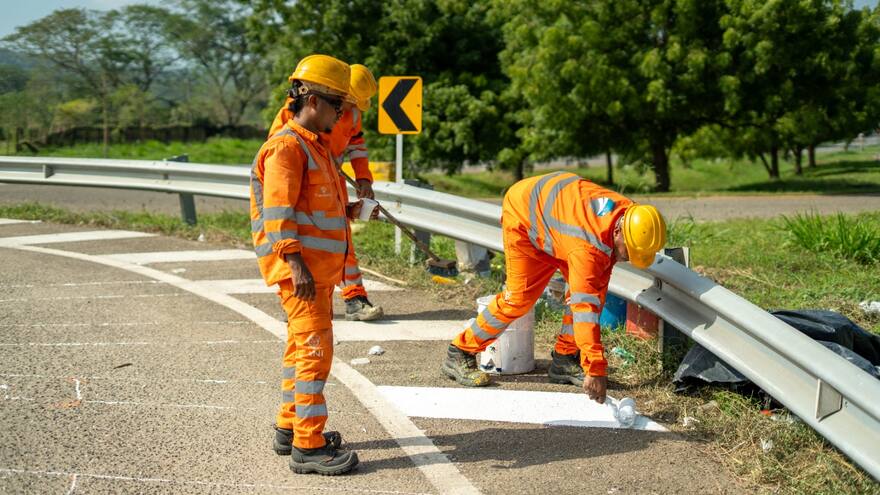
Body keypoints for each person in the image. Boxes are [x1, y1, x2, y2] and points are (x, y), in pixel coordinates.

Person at [250, 54, 375, 476]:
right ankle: (309, 445)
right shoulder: (287, 147)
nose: (343, 115)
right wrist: (295, 263)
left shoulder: (316, 147)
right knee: (315, 356)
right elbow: (278, 211)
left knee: (300, 350)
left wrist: (353, 209)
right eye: (338, 105)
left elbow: (315, 206)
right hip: (302, 273)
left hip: (317, 271)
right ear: (314, 100)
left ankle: (289, 428)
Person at [441, 171, 666, 404]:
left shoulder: (631, 216)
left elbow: (591, 290)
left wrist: (593, 364)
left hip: (558, 219)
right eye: (628, 251)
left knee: (593, 293)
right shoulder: (587, 249)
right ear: (618, 232)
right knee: (519, 299)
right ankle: (460, 350)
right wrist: (595, 368)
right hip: (525, 215)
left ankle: (564, 358)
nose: (627, 258)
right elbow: (584, 308)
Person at [269, 64, 383, 322]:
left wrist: (364, 178)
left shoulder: (352, 114)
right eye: (344, 101)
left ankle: (354, 297)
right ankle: (294, 299)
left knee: (340, 238)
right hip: (303, 183)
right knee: (298, 241)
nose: (345, 109)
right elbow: (282, 150)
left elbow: (357, 146)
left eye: (351, 103)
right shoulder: (296, 107)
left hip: (330, 180)